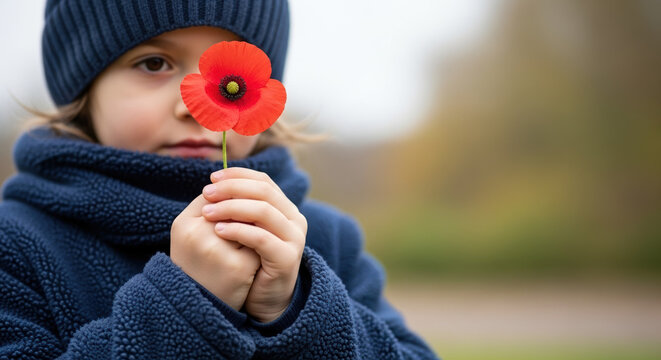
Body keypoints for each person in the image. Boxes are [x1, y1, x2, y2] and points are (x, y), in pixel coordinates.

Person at [0, 1, 439, 359]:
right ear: (82, 91)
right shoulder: (15, 244)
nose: (194, 105)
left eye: (231, 76)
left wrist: (297, 309)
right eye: (154, 63)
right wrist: (184, 304)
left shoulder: (323, 238)